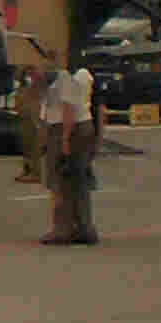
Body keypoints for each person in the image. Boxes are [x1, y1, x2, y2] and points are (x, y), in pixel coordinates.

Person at [40, 63, 100, 245]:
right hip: (83, 126)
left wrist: (65, 139)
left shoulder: (64, 74)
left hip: (65, 127)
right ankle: (84, 227)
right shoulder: (84, 72)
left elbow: (68, 108)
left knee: (60, 180)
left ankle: (62, 228)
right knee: (80, 180)